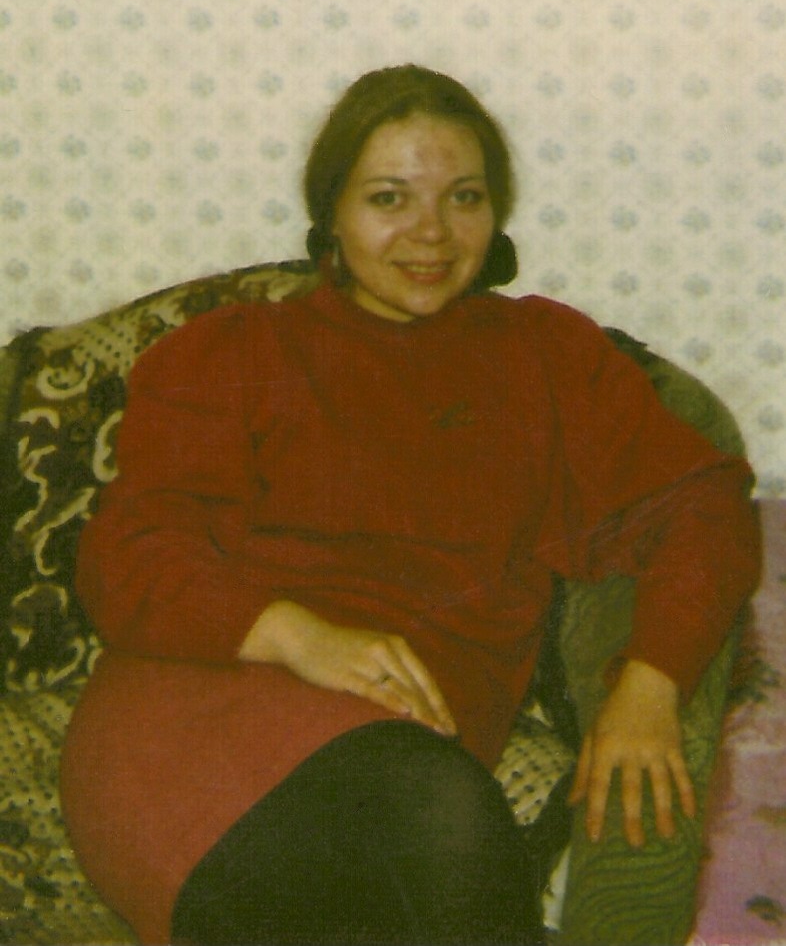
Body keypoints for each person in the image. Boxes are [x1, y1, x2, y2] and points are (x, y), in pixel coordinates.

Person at [60, 64, 761, 946]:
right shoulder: (234, 352)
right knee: (436, 817)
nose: (431, 232)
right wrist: (298, 635)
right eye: (389, 197)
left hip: (408, 764)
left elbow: (705, 504)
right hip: (198, 726)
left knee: (424, 821)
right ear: (332, 213)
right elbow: (126, 556)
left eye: (464, 197)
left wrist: (650, 682)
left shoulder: (546, 358)